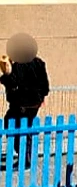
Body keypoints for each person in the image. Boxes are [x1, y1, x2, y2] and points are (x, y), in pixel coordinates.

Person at [0, 33, 49, 168]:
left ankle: (24, 157)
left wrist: (6, 75)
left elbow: (13, 83)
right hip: (34, 104)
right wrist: (42, 97)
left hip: (20, 104)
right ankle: (27, 157)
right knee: (26, 128)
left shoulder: (18, 65)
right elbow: (45, 84)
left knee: (12, 124)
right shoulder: (39, 63)